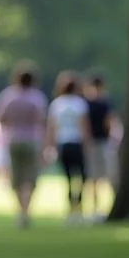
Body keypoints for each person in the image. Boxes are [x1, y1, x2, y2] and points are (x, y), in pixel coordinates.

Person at [0, 62, 49, 228]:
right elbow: (41, 121)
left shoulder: (8, 96)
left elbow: (0, 118)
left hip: (14, 139)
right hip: (32, 140)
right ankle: (26, 209)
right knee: (30, 178)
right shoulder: (37, 97)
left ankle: (21, 210)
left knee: (16, 177)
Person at [46, 71, 92, 222]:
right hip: (77, 143)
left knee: (68, 178)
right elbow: (84, 127)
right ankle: (78, 205)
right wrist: (87, 145)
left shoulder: (57, 104)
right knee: (82, 176)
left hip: (63, 143)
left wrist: (50, 146)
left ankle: (71, 206)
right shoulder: (80, 104)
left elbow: (52, 128)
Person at [83, 73, 114, 220]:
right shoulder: (104, 103)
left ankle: (95, 208)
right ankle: (97, 209)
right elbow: (109, 122)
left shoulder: (86, 103)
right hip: (101, 142)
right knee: (102, 176)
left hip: (94, 142)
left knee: (94, 177)